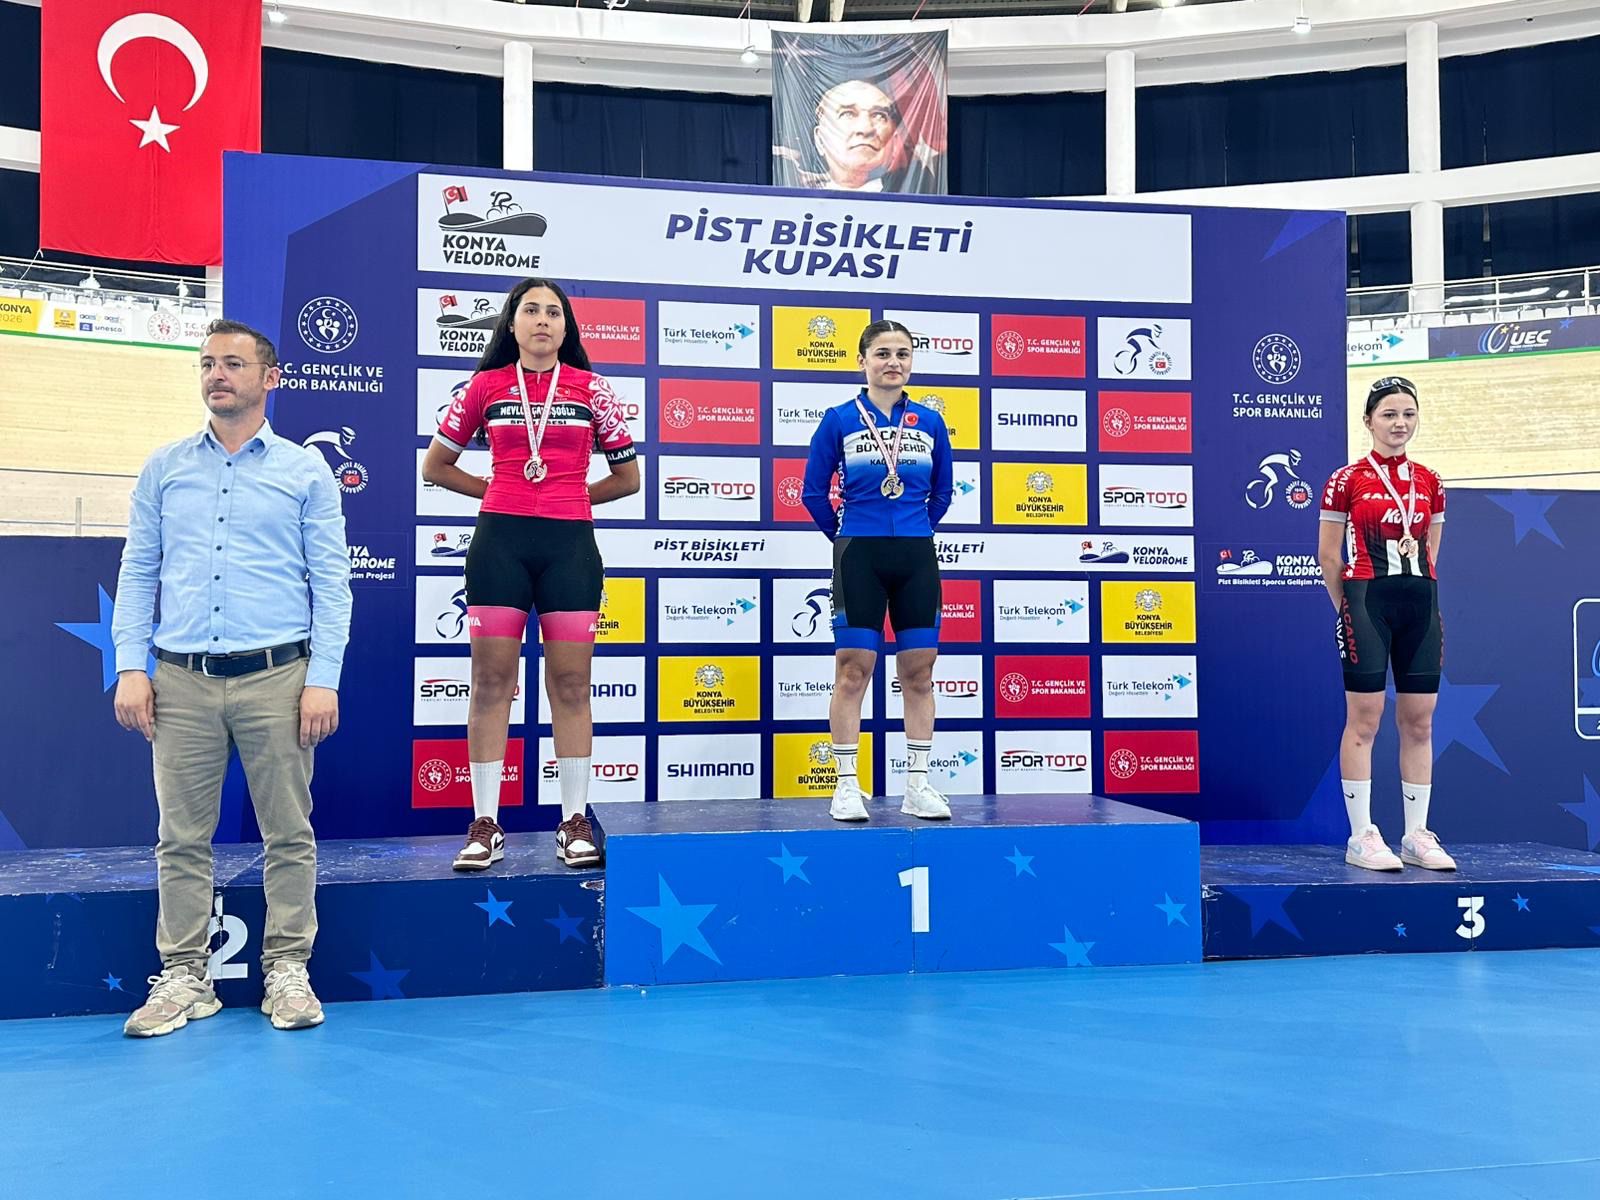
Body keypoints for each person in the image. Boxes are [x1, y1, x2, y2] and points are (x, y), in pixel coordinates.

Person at [112, 318, 353, 1037]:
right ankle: (184, 977)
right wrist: (131, 665)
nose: (217, 374)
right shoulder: (164, 468)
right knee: (180, 839)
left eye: (234, 364)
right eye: (208, 363)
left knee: (289, 834)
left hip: (279, 678)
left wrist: (324, 677)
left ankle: (288, 970)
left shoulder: (305, 471)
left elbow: (332, 584)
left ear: (270, 379)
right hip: (179, 682)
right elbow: (139, 571)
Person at [422, 278, 639, 872]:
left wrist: (570, 497)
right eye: (531, 311)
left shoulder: (592, 389)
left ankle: (574, 821)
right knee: (491, 682)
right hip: (500, 545)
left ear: (566, 327)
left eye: (554, 312)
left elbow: (629, 479)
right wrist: (499, 492)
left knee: (570, 685)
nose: (543, 320)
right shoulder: (485, 387)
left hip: (570, 546)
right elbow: (436, 466)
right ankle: (485, 824)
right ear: (512, 324)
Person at [802, 320, 954, 822]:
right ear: (862, 361)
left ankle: (917, 786)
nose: (893, 362)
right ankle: (846, 786)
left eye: (903, 354)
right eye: (883, 353)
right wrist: (848, 536)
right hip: (859, 555)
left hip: (915, 555)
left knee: (920, 672)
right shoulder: (839, 419)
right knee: (852, 670)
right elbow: (812, 492)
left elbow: (942, 493)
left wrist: (912, 528)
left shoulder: (930, 422)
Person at [1318, 376, 1455, 873]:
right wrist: (1348, 608)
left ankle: (1416, 835)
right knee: (1366, 719)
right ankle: (1361, 836)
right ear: (1369, 421)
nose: (1400, 423)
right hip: (1366, 602)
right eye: (1389, 414)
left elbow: (1431, 551)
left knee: (1420, 720)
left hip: (1420, 603)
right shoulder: (1345, 479)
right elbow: (1328, 555)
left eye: (1408, 414)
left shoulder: (1431, 481)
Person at [774, 78, 943, 194]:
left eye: (879, 115)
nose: (865, 128)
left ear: (895, 140)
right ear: (819, 140)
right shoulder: (796, 201)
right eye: (848, 114)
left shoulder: (915, 199)